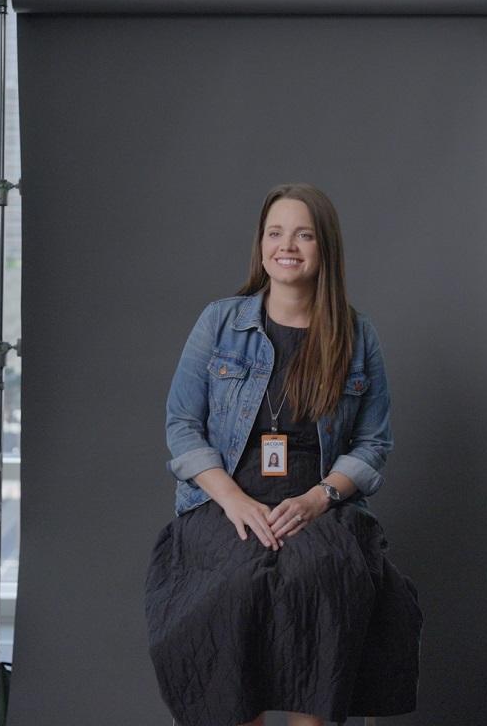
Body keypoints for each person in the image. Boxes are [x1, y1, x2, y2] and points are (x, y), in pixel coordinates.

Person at [144, 182, 423, 726]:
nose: (286, 245)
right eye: (275, 233)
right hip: (228, 498)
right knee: (231, 588)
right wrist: (232, 501)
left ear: (325, 249)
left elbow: (373, 444)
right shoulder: (220, 322)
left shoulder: (356, 335)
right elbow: (182, 426)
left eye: (303, 234)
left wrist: (320, 499)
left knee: (319, 581)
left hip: (318, 500)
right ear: (261, 244)